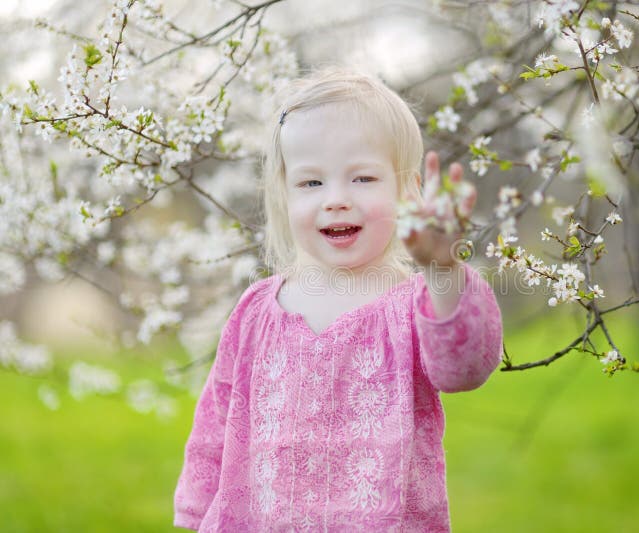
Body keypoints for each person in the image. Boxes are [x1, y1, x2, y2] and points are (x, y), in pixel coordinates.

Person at [173, 66, 503, 532]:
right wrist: (194, 513)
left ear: (408, 192)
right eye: (312, 183)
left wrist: (443, 269)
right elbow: (215, 424)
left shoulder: (411, 307)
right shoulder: (256, 310)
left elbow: (466, 367)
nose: (336, 199)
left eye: (363, 179)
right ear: (284, 197)